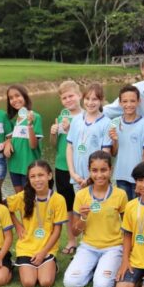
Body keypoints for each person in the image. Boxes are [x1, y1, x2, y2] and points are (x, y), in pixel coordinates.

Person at [63, 151, 128, 287]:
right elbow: (74, 231)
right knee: (70, 283)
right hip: (88, 247)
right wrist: (83, 217)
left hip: (113, 247)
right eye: (95, 170)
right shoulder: (81, 195)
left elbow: (128, 227)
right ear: (89, 171)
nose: (99, 175)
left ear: (110, 170)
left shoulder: (120, 194)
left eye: (103, 170)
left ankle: (102, 268)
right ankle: (94, 267)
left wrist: (126, 254)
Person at [64, 83, 112, 255]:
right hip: (77, 177)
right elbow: (69, 147)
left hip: (95, 179)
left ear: (101, 101)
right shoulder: (76, 120)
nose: (91, 102)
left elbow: (105, 154)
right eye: (88, 98)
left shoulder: (106, 123)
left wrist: (93, 177)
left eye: (95, 99)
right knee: (82, 213)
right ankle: (85, 247)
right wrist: (72, 173)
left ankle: (101, 246)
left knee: (97, 212)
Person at [7, 160, 67, 287]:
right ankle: (18, 266)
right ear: (28, 179)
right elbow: (3, 207)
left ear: (49, 176)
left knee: (46, 282)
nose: (37, 180)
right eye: (32, 176)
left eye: (41, 175)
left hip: (47, 248)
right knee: (29, 283)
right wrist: (17, 225)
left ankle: (50, 265)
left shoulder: (58, 199)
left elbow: (57, 231)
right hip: (26, 247)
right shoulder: (23, 196)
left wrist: (43, 252)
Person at [109, 85, 144, 200]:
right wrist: (114, 140)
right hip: (120, 175)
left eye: (132, 101)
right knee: (124, 210)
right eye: (125, 101)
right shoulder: (115, 123)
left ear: (139, 101)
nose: (129, 104)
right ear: (120, 103)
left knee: (137, 209)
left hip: (137, 177)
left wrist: (142, 178)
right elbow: (113, 153)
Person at [50, 80, 83, 218]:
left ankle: (87, 236)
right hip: (62, 166)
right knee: (68, 206)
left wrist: (71, 130)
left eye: (71, 96)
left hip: (80, 167)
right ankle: (71, 239)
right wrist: (53, 133)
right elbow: (54, 145)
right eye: (64, 98)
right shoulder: (61, 116)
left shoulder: (87, 116)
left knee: (83, 205)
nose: (68, 100)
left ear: (79, 95)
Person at [5, 84, 43, 193]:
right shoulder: (12, 120)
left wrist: (29, 125)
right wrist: (7, 142)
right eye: (11, 98)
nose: (14, 100)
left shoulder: (35, 116)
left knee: (31, 199)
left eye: (17, 96)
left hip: (29, 167)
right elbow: (9, 139)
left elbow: (33, 145)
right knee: (20, 200)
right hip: (14, 166)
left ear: (25, 96)